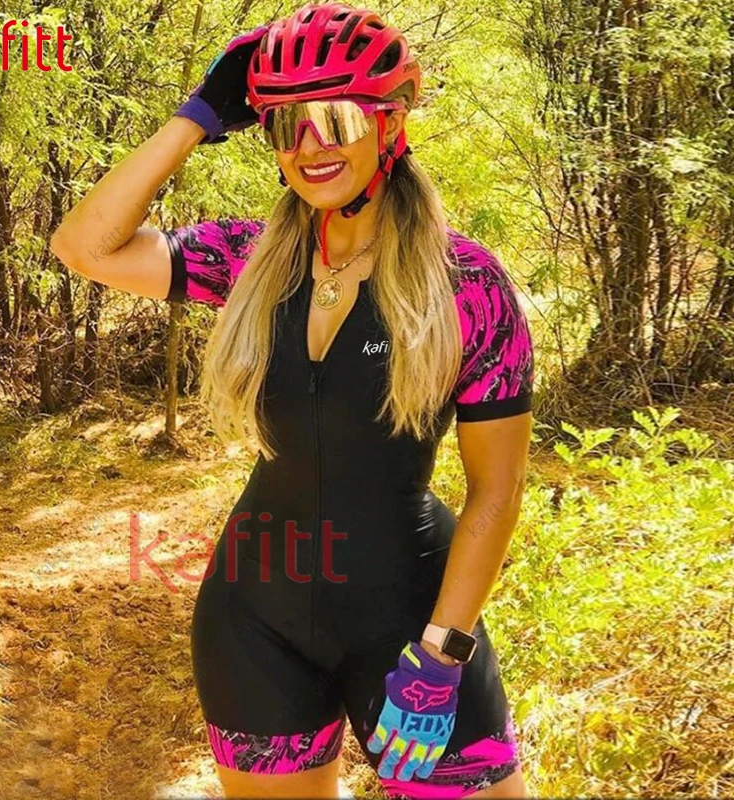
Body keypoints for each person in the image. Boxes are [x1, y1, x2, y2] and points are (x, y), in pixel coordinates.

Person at [50, 3, 535, 797]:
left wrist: (444, 653)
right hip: (253, 621)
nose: (311, 146)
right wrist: (196, 117)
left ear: (389, 123)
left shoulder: (466, 285)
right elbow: (82, 246)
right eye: (286, 125)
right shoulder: (250, 260)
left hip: (412, 624)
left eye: (336, 118)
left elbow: (499, 489)